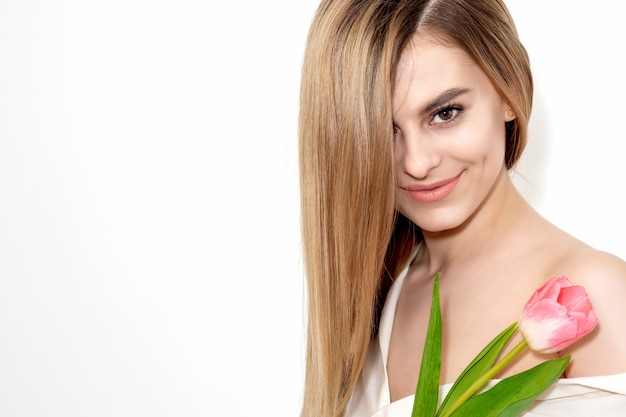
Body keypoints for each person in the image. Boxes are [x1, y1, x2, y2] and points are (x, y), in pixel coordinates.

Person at [297, 0, 626, 416]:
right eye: (381, 131)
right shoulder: (373, 293)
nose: (416, 163)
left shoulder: (593, 295)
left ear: (509, 91)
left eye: (445, 113)